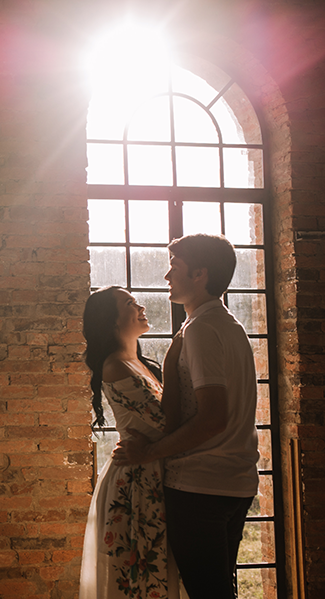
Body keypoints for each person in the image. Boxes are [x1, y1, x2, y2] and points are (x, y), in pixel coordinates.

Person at [114, 233, 259, 599]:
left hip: (201, 489)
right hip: (234, 483)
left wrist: (148, 453)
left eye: (174, 267)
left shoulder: (202, 330)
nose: (166, 276)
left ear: (200, 274)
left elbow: (212, 418)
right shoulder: (228, 326)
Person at [79, 285, 184, 599]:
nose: (140, 306)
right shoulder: (116, 367)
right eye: (129, 303)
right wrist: (174, 357)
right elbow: (167, 424)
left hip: (151, 469)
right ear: (113, 321)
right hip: (137, 482)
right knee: (144, 579)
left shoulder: (136, 362)